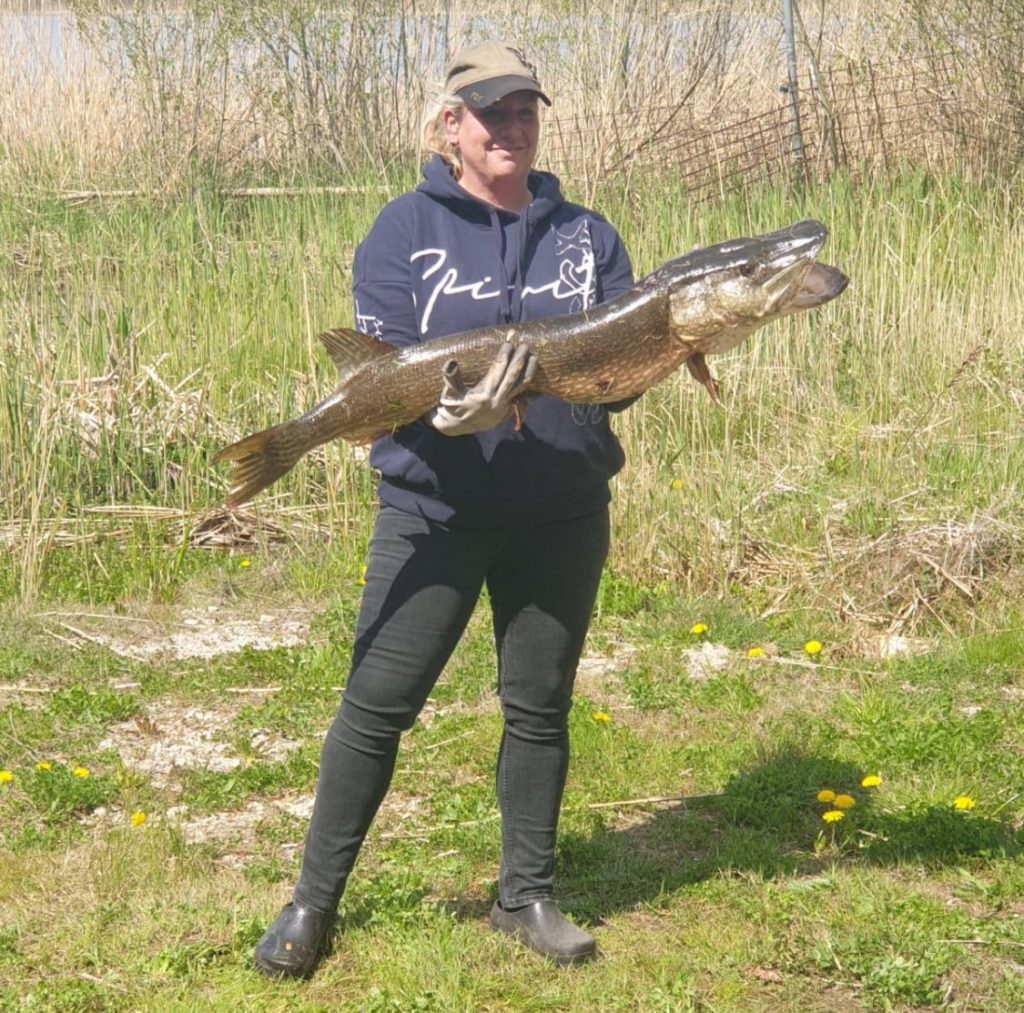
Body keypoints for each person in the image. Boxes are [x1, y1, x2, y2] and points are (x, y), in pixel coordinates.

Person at [253, 40, 637, 978]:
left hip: (560, 508)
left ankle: (527, 895)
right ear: (450, 126)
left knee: (539, 705)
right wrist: (448, 411)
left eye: (524, 112)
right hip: (436, 510)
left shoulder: (589, 237)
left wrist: (606, 385)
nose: (510, 127)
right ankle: (312, 900)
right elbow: (377, 369)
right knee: (377, 707)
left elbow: (620, 377)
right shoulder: (402, 231)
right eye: (491, 112)